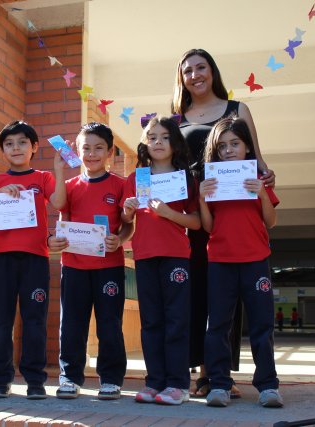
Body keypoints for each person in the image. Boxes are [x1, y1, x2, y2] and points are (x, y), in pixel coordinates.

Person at [172, 48, 275, 398]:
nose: (195, 75)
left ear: (212, 71)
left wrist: (266, 174)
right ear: (181, 78)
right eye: (188, 70)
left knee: (232, 299)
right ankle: (204, 371)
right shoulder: (177, 119)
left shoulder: (237, 110)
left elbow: (257, 157)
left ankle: (223, 376)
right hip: (195, 211)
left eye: (201, 67)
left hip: (234, 213)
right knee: (203, 293)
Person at [198, 116, 282, 408]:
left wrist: (261, 193)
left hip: (256, 259)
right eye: (222, 146)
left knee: (262, 325)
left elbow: (271, 221)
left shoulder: (258, 179)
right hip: (220, 261)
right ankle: (219, 384)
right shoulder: (211, 182)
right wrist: (201, 198)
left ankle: (268, 386)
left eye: (235, 143)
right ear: (216, 151)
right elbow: (208, 227)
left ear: (248, 147)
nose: (229, 150)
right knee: (218, 325)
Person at [48, 122, 133, 401]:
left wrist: (119, 240)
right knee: (72, 324)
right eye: (86, 148)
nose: (92, 154)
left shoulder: (120, 185)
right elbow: (59, 209)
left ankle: (110, 379)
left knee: (110, 323)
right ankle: (70, 378)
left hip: (109, 266)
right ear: (77, 150)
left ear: (110, 152)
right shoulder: (70, 185)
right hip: (73, 266)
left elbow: (127, 225)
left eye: (99, 148)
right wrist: (59, 170)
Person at [121, 115, 200, 405]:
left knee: (176, 320)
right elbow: (126, 221)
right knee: (151, 321)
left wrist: (169, 214)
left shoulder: (185, 178)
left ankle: (178, 384)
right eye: (152, 137)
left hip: (176, 256)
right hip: (144, 255)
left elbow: (197, 222)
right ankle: (154, 382)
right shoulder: (136, 178)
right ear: (144, 142)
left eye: (165, 137)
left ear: (175, 142)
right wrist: (127, 212)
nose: (158, 142)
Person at [0, 121, 62, 400]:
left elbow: (60, 203)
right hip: (2, 259)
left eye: (22, 142)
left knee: (34, 322)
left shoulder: (43, 178)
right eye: (9, 144)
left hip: (36, 259)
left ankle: (35, 381)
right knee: (1, 322)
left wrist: (60, 168)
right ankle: (1, 379)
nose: (15, 148)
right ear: (3, 149)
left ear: (34, 147)